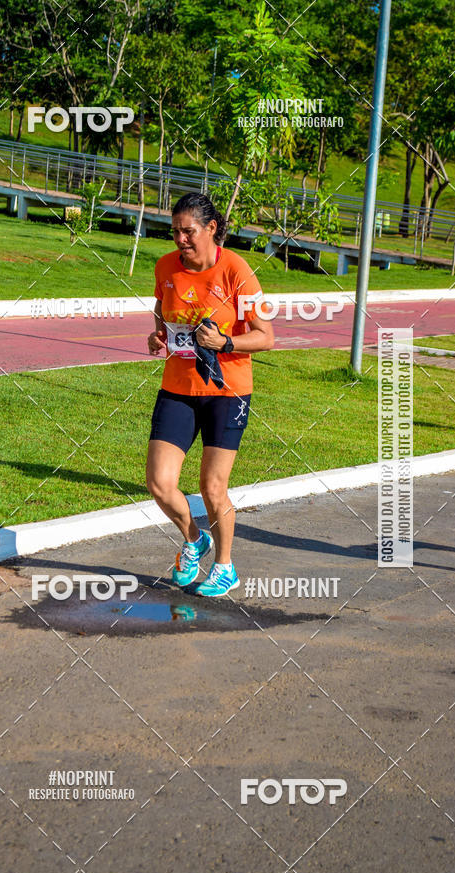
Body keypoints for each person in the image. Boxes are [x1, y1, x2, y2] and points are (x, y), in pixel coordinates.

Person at [146, 192, 274, 597]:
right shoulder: (166, 266)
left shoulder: (237, 271)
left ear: (211, 229)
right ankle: (194, 539)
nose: (181, 240)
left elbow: (266, 337)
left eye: (189, 232)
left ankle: (224, 567)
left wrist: (225, 342)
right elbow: (159, 307)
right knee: (159, 482)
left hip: (226, 391)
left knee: (212, 488)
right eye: (176, 232)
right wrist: (158, 334)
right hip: (178, 387)